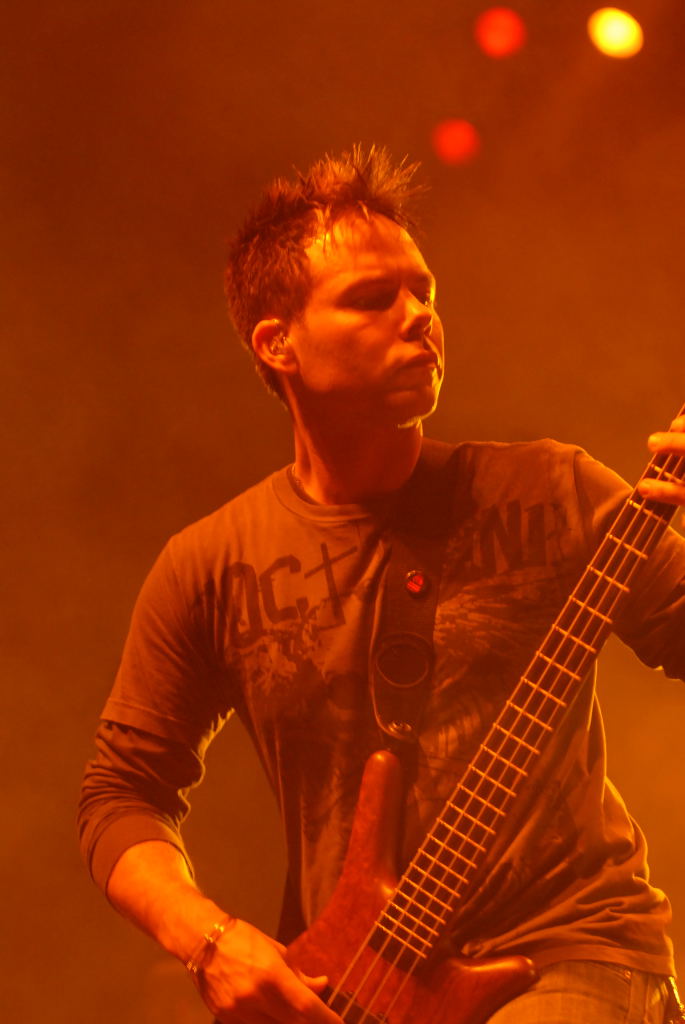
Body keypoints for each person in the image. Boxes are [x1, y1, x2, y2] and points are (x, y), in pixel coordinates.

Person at [79, 145, 685, 1024]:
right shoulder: (208, 564)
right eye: (372, 298)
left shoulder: (552, 489)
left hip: (571, 950)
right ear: (277, 343)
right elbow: (120, 795)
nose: (419, 317)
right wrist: (209, 939)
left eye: (423, 291)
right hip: (357, 987)